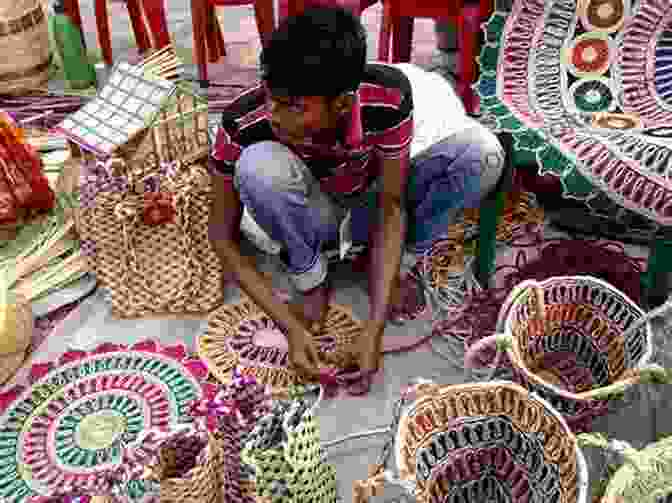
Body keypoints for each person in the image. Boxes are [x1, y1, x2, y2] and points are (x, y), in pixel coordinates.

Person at [208, 6, 504, 394]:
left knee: (482, 154)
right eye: (270, 97)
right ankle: (311, 275)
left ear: (343, 104)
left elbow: (392, 206)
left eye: (294, 106)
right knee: (259, 167)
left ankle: (389, 263)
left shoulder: (388, 97)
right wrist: (291, 327)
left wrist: (372, 331)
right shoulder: (241, 122)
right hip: (311, 213)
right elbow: (222, 237)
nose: (274, 115)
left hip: (366, 201)